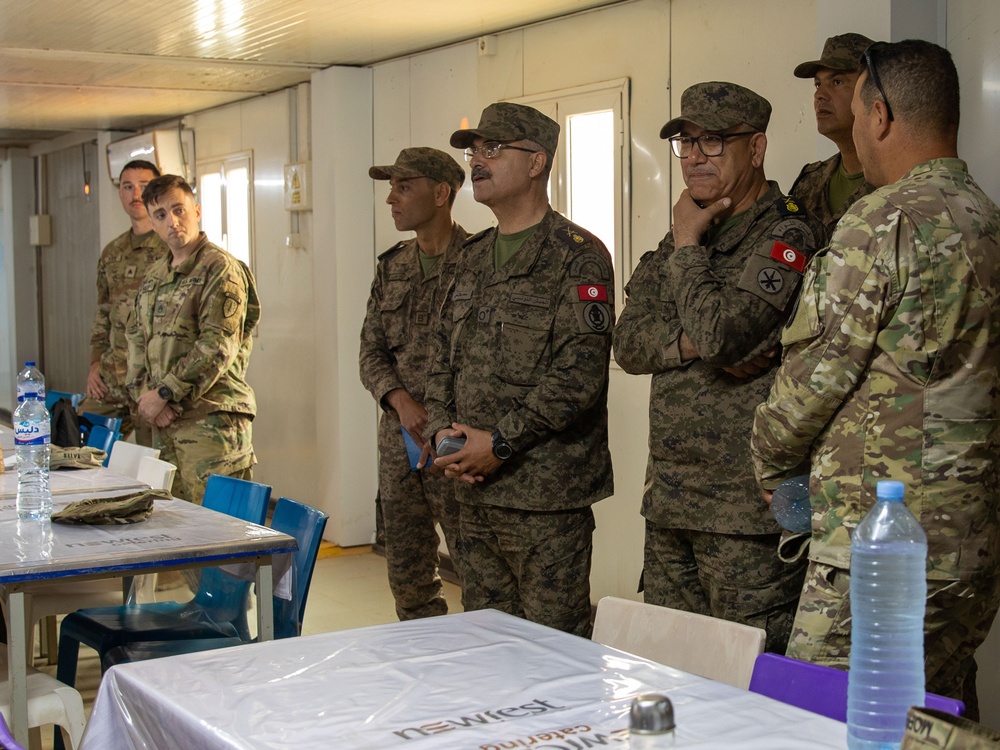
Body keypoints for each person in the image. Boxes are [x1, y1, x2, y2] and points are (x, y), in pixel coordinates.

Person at [751, 40, 1000, 718]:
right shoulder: (987, 219)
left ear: (881, 116)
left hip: (879, 544)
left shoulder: (881, 220)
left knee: (823, 722)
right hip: (970, 545)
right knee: (930, 720)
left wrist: (771, 466)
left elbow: (812, 380)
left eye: (860, 114)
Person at [613, 82, 825, 653]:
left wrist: (688, 247)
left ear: (755, 148)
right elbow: (627, 344)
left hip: (746, 512)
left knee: (751, 679)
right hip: (671, 501)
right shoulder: (680, 236)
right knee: (670, 672)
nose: (695, 157)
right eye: (686, 143)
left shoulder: (787, 234)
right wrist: (699, 343)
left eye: (714, 143)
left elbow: (723, 335)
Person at [424, 102, 614, 637]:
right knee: (485, 644)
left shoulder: (578, 256)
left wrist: (500, 443)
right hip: (471, 491)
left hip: (543, 499)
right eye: (473, 151)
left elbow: (578, 375)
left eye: (492, 149)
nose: (476, 161)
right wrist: (443, 432)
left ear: (536, 162)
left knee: (556, 650)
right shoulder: (470, 255)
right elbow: (439, 354)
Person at [360, 147, 469, 620]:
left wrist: (440, 421)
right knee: (407, 573)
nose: (391, 198)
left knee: (477, 568)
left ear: (442, 193)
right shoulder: (392, 266)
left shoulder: (478, 263)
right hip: (400, 437)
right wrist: (399, 400)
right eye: (391, 186)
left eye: (404, 186)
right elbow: (371, 350)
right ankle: (426, 667)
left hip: (457, 441)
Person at [126, 175, 260, 505]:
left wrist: (165, 393)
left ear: (196, 211)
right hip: (165, 425)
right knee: (177, 533)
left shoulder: (220, 269)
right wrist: (150, 398)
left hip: (211, 425)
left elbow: (217, 346)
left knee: (223, 535)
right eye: (161, 215)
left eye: (179, 210)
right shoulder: (156, 276)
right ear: (152, 222)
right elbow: (135, 341)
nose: (172, 222)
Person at [79, 160, 167, 446]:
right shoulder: (113, 252)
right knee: (75, 443)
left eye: (143, 186)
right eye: (127, 186)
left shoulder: (171, 247)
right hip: (112, 376)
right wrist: (95, 363)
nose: (135, 194)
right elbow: (103, 312)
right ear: (120, 193)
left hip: (151, 380)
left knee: (150, 462)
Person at [790, 33, 876, 236]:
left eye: (837, 82)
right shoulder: (809, 183)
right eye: (818, 84)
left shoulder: (897, 182)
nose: (819, 95)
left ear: (872, 92)